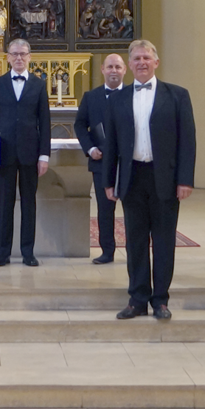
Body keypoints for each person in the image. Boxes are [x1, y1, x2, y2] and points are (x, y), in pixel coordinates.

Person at [102, 40, 196, 321]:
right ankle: (137, 298)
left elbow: (187, 142)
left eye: (147, 57)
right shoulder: (118, 98)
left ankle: (161, 300)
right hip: (133, 177)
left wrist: (185, 179)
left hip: (164, 177)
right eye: (137, 59)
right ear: (129, 65)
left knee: (164, 240)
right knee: (135, 240)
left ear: (156, 62)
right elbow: (112, 145)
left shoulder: (177, 95)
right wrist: (109, 181)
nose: (142, 62)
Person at [0, 38, 51, 267]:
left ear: (30, 57)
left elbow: (44, 122)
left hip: (31, 154)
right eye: (15, 54)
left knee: (29, 204)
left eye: (23, 54)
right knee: (5, 203)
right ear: (8, 57)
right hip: (4, 153)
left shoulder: (39, 85)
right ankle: (3, 253)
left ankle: (28, 252)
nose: (19, 58)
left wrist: (44, 155)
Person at [73, 53, 126, 265]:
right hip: (101, 161)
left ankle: (135, 250)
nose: (114, 71)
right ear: (102, 69)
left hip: (129, 162)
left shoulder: (133, 94)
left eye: (118, 67)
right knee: (105, 209)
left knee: (133, 209)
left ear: (124, 70)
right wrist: (90, 147)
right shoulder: (90, 97)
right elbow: (80, 125)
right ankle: (107, 251)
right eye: (110, 67)